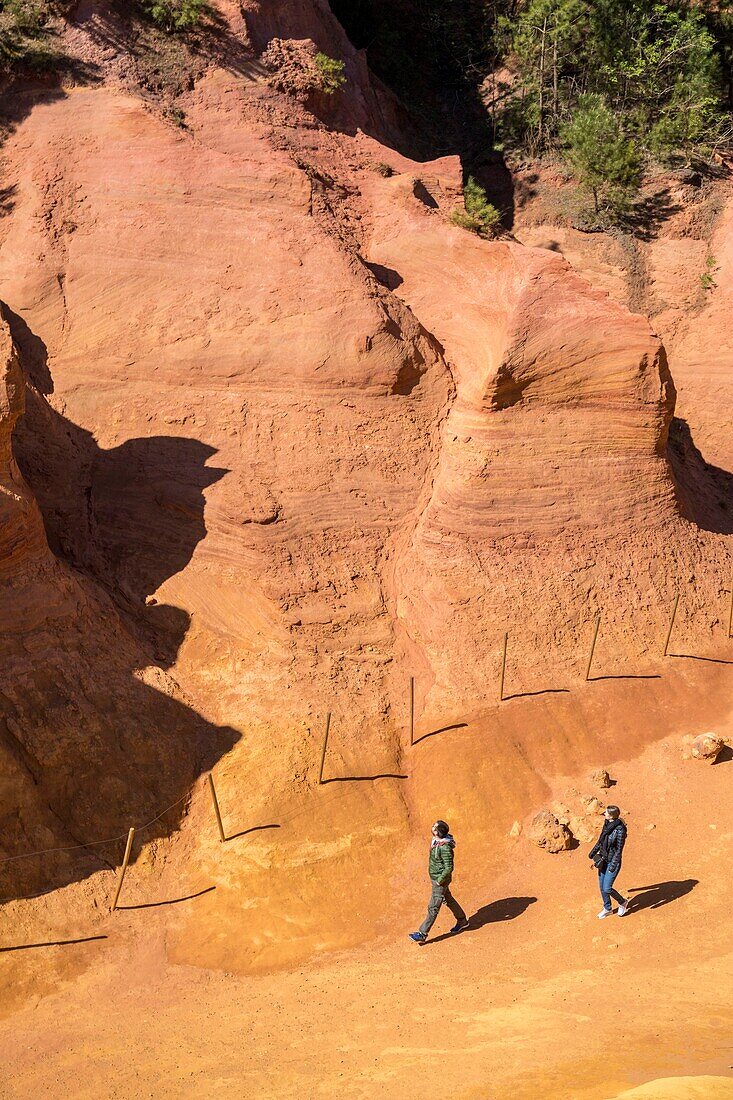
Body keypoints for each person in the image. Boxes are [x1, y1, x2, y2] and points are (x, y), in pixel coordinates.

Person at [409, 820, 469, 944]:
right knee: (449, 900)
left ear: (438, 832)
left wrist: (439, 880)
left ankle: (422, 933)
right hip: (436, 877)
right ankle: (462, 920)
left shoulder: (445, 847)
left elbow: (449, 867)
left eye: (435, 827)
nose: (432, 827)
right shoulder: (437, 841)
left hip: (440, 881)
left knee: (433, 907)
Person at [589, 805, 629, 918]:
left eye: (606, 813)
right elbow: (601, 841)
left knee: (607, 888)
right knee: (602, 887)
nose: (604, 814)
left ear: (611, 815)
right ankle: (607, 908)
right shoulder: (607, 825)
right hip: (603, 859)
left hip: (613, 862)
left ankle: (622, 902)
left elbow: (619, 850)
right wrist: (593, 852)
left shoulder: (620, 830)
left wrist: (613, 865)